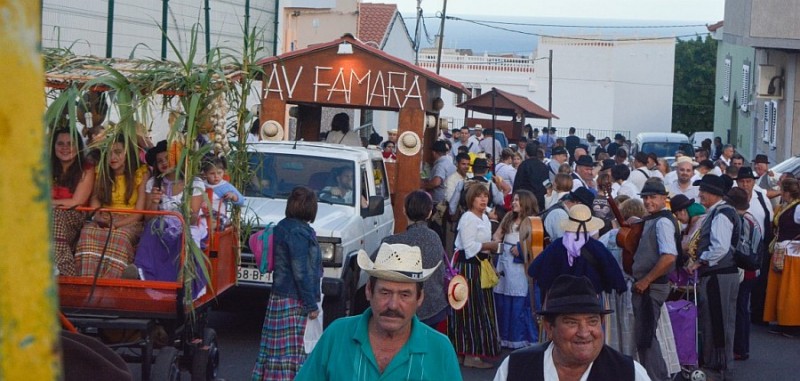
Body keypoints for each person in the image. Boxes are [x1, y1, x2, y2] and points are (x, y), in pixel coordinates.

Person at [295, 242, 460, 379]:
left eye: (404, 295)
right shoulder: (337, 335)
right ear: (368, 291)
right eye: (385, 292)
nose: (393, 305)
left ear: (419, 298)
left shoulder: (440, 350)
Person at [493, 275, 650, 381]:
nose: (584, 333)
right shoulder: (516, 367)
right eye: (571, 322)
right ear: (549, 328)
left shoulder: (629, 373)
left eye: (592, 321)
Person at [253, 186, 322, 380]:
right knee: (294, 351)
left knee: (275, 350)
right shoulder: (299, 232)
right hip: (294, 300)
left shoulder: (283, 226)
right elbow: (301, 271)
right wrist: (311, 305)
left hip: (280, 296)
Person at [132, 141, 207, 294]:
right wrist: (153, 202)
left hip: (185, 225)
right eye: (160, 161)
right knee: (151, 230)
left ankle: (185, 284)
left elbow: (192, 218)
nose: (164, 163)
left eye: (168, 158)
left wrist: (184, 209)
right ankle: (143, 274)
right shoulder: (154, 183)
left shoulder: (194, 183)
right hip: (161, 226)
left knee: (187, 237)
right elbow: (148, 218)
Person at [686, 174, 740, 380]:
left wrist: (700, 260)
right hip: (719, 274)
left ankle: (719, 368)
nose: (700, 195)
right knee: (715, 320)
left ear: (713, 193)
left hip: (720, 274)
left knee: (719, 321)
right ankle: (715, 364)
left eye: (703, 191)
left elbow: (720, 247)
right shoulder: (718, 212)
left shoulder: (722, 214)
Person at [75, 135, 148, 278]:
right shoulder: (101, 172)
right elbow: (95, 200)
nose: (112, 157)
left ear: (127, 153)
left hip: (130, 221)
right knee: (87, 232)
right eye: (108, 153)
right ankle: (87, 279)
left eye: (118, 152)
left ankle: (112, 283)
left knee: (120, 236)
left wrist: (116, 224)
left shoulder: (140, 173)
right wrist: (98, 215)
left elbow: (138, 214)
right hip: (105, 217)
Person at [631, 178, 680, 381]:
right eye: (646, 197)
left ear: (663, 199)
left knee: (646, 338)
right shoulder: (655, 219)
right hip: (650, 286)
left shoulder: (662, 222)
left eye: (653, 197)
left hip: (651, 287)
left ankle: (657, 378)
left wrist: (647, 280)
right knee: (646, 337)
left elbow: (669, 256)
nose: (648, 201)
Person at [449, 183, 502, 368]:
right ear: (471, 199)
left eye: (485, 196)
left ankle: (469, 353)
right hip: (468, 269)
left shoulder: (484, 218)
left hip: (480, 267)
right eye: (479, 196)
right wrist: (490, 246)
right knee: (470, 310)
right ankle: (469, 354)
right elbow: (469, 247)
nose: (483, 199)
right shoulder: (468, 218)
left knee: (477, 309)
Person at [381, 191, 448, 327]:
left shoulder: (391, 242)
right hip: (435, 307)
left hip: (400, 309)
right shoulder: (435, 237)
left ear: (404, 210)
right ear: (429, 213)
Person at [493, 190, 539, 349]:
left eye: (517, 200)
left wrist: (521, 248)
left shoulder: (532, 222)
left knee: (518, 303)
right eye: (513, 200)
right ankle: (503, 337)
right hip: (505, 263)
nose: (513, 203)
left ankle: (518, 338)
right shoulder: (508, 217)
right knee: (503, 300)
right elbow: (496, 236)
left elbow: (536, 246)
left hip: (520, 268)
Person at [51, 128, 96, 276]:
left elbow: (77, 202)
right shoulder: (47, 169)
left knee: (55, 215)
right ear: (54, 146)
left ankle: (63, 268)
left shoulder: (86, 169)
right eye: (60, 143)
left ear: (78, 147)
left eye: (70, 144)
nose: (65, 148)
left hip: (75, 217)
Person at [725, 187, 762, 362]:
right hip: (751, 268)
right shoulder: (751, 219)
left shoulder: (741, 220)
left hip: (744, 269)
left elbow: (741, 247)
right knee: (742, 309)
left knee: (739, 309)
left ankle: (740, 348)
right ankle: (742, 347)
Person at [763, 178, 800, 336]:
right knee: (781, 289)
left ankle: (792, 323)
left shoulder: (798, 207)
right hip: (782, 252)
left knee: (790, 290)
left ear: (786, 192)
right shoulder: (787, 206)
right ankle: (783, 320)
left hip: (793, 254)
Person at [202, 156, 245, 228]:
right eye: (212, 173)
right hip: (203, 216)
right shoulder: (201, 185)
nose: (216, 176)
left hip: (219, 218)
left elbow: (241, 200)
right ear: (205, 174)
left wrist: (233, 196)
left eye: (219, 173)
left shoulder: (226, 186)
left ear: (224, 172)